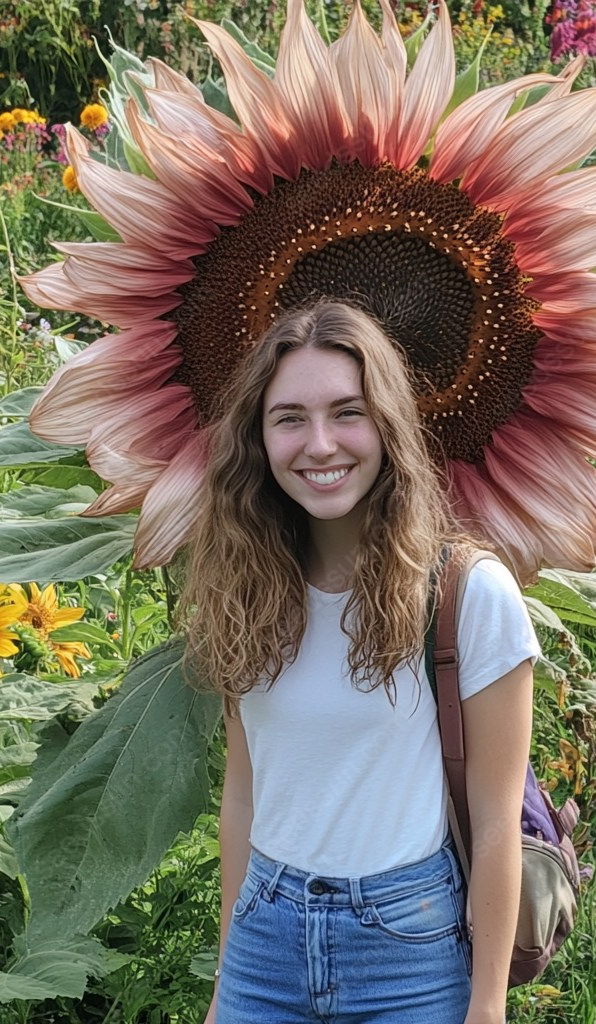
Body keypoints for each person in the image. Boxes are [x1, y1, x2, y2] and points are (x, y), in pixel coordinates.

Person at [182, 300, 539, 1024]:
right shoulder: (241, 592)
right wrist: (227, 979)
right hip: (264, 943)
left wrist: (489, 1005)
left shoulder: (467, 594)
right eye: (289, 419)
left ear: (388, 427)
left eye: (348, 412)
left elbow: (497, 820)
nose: (319, 444)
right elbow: (246, 797)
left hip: (408, 949)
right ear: (257, 439)